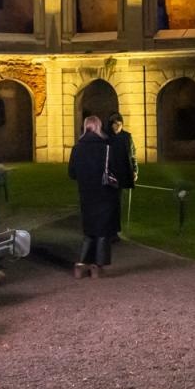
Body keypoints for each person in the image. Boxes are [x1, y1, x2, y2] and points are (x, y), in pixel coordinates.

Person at [68, 115, 133, 278]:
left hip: (86, 195)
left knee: (89, 230)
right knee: (103, 230)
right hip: (105, 193)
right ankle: (98, 265)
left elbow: (72, 173)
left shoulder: (77, 148)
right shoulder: (107, 147)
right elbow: (117, 169)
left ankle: (81, 264)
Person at [107, 113, 138, 237]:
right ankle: (109, 228)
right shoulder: (107, 137)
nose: (117, 126)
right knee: (109, 202)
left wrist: (135, 170)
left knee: (117, 202)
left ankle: (115, 229)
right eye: (115, 124)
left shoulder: (126, 137)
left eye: (119, 124)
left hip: (121, 173)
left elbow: (132, 155)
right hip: (109, 173)